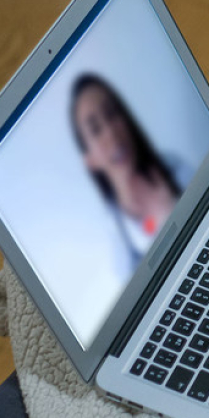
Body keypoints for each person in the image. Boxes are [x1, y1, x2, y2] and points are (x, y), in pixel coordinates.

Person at [71, 73, 189, 275]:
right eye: (95, 129)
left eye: (111, 114)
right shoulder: (116, 248)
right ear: (90, 160)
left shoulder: (175, 167)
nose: (111, 132)